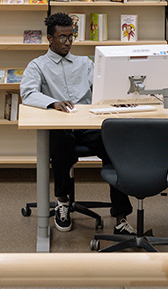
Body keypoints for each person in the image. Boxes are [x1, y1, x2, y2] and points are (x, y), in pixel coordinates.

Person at [20, 12, 135, 235]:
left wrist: (118, 101)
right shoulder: (38, 66)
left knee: (114, 145)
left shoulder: (85, 63)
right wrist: (52, 102)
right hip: (61, 129)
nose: (68, 42)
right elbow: (27, 93)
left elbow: (101, 91)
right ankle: (62, 202)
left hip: (88, 126)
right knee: (62, 146)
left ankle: (121, 216)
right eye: (62, 37)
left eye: (71, 36)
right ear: (50, 39)